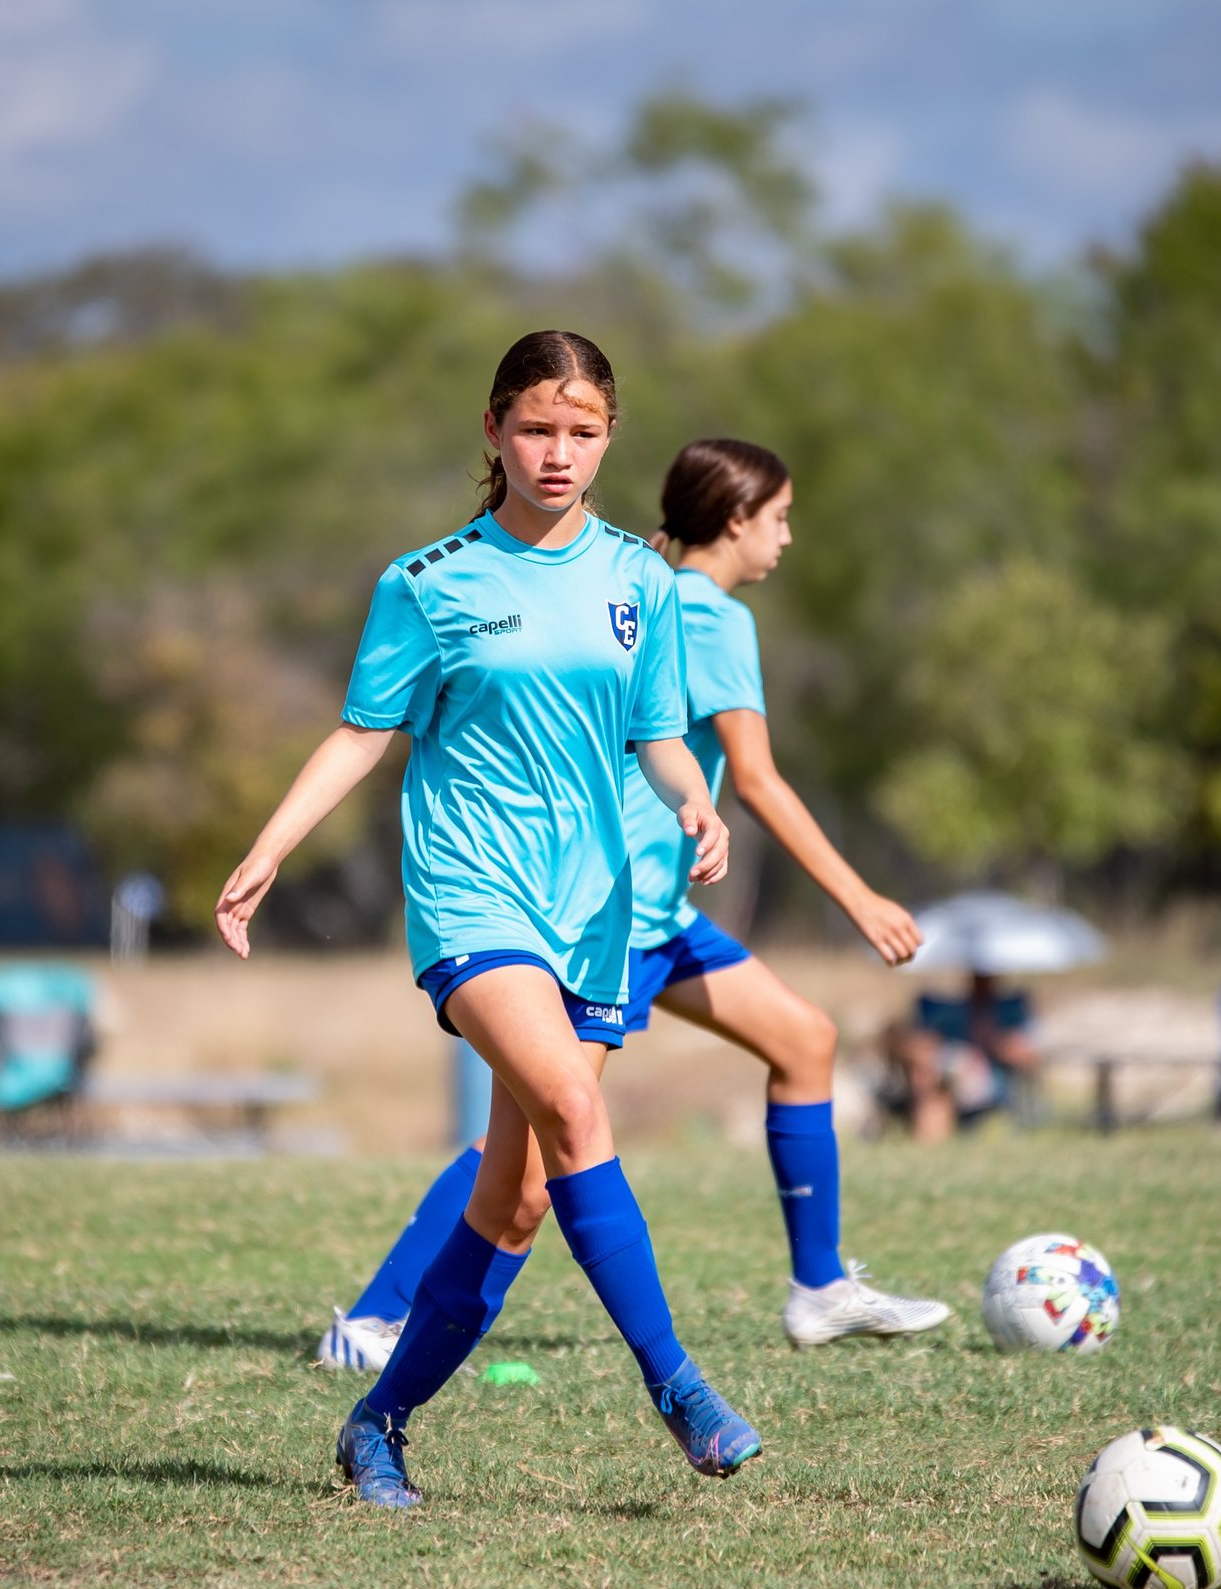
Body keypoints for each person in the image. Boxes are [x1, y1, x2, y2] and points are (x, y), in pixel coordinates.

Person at [216, 331, 761, 1507]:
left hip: (597, 909)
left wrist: (695, 805)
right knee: (571, 1104)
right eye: (534, 428)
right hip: (472, 894)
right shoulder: (428, 582)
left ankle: (379, 1423)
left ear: (610, 435)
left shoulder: (643, 583)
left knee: (516, 1201)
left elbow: (658, 732)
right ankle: (677, 1386)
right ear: (492, 431)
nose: (557, 453)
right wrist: (266, 849)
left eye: (581, 431)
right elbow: (366, 730)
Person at [318, 436, 951, 1376]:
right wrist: (860, 898)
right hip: (617, 915)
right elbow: (765, 785)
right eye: (779, 517)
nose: (787, 536)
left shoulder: (640, 582)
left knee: (804, 1040)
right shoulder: (710, 617)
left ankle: (819, 1287)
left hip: (656, 910)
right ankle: (374, 1320)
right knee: (530, 1147)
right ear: (735, 522)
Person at [879, 974, 1040, 1143]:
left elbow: (1029, 1054)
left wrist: (997, 1043)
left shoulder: (1009, 1017)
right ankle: (930, 1134)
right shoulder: (948, 1020)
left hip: (981, 1080)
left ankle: (930, 1134)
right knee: (931, 1072)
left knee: (933, 1074)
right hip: (949, 1067)